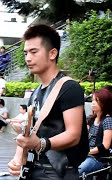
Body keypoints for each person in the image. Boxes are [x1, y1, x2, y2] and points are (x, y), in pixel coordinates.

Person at [8, 24, 89, 179]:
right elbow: (29, 132)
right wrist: (18, 157)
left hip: (59, 172)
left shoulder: (69, 88)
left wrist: (40, 144)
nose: (28, 58)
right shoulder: (36, 92)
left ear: (52, 53)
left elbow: (74, 135)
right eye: (25, 53)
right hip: (34, 168)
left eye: (34, 52)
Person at [78, 89, 112, 176]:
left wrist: (87, 152)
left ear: (105, 103)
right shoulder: (91, 119)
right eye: (93, 100)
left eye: (97, 101)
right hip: (86, 154)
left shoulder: (108, 121)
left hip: (98, 158)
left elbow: (105, 146)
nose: (93, 103)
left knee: (77, 171)